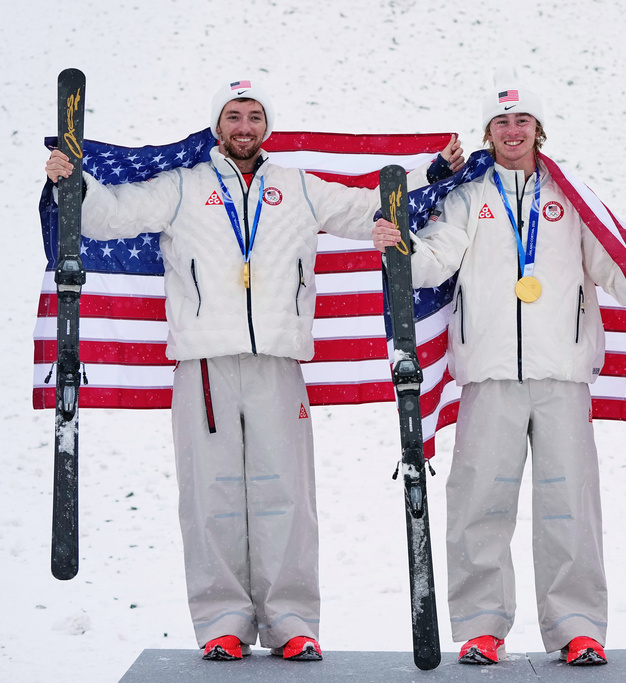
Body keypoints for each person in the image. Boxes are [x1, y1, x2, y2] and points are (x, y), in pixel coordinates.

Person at [45, 78, 464, 662]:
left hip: (278, 359)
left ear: (267, 125)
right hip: (204, 365)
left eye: (254, 116)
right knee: (209, 494)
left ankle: (292, 621)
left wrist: (431, 179)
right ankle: (222, 621)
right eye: (234, 115)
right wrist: (73, 181)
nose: (244, 126)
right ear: (218, 125)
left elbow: (365, 203)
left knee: (286, 494)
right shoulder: (183, 186)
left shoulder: (297, 186)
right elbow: (112, 215)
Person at [373, 68, 626, 666]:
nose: (513, 131)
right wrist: (401, 246)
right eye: (502, 122)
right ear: (488, 132)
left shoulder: (570, 196)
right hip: (489, 375)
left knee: (571, 506)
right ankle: (482, 626)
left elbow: (611, 261)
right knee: (480, 502)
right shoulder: (468, 196)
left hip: (562, 374)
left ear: (540, 130)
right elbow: (435, 261)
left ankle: (578, 627)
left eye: (522, 121)